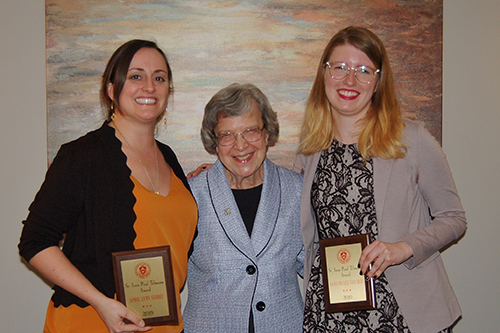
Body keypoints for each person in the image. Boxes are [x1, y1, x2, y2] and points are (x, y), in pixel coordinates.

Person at [294, 26, 467, 333]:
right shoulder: (310, 149)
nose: (350, 80)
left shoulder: (411, 139)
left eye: (363, 70)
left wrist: (404, 247)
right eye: (340, 68)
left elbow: (453, 218)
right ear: (324, 74)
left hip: (401, 311)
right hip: (330, 313)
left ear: (378, 81)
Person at [18, 39, 197, 333]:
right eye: (136, 76)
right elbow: (35, 241)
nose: (149, 87)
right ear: (112, 89)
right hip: (92, 323)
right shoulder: (82, 156)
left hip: (161, 326)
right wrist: (101, 302)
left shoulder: (168, 157)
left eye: (159, 78)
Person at [183, 83, 304, 333]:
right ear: (214, 142)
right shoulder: (190, 196)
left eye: (250, 131)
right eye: (227, 135)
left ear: (267, 134)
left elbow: (316, 264)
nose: (240, 145)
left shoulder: (297, 190)